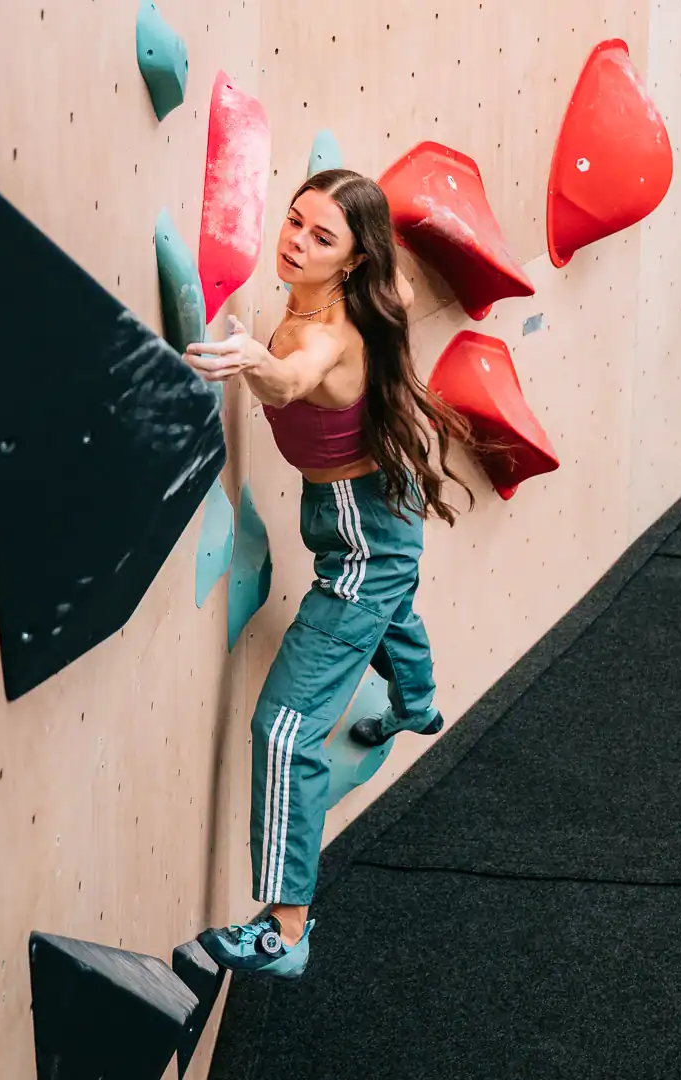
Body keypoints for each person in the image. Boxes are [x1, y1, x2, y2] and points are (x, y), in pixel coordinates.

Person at [183, 169, 473, 978]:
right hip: (371, 506)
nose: (295, 242)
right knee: (394, 605)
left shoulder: (329, 334)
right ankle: (417, 704)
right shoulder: (364, 290)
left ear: (352, 261)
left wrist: (251, 362)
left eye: (321, 238)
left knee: (283, 728)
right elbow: (402, 294)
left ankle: (285, 926)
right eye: (295, 221)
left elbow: (293, 376)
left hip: (362, 538)